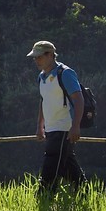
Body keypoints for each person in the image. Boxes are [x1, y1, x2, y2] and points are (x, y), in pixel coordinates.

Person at [27, 40, 84, 194]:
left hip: (64, 128)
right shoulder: (41, 77)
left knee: (51, 163)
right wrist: (40, 126)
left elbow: (78, 99)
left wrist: (75, 126)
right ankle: (83, 192)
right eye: (35, 57)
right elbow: (43, 101)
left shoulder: (65, 73)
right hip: (51, 128)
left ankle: (44, 195)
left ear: (51, 55)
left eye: (39, 57)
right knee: (67, 164)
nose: (36, 60)